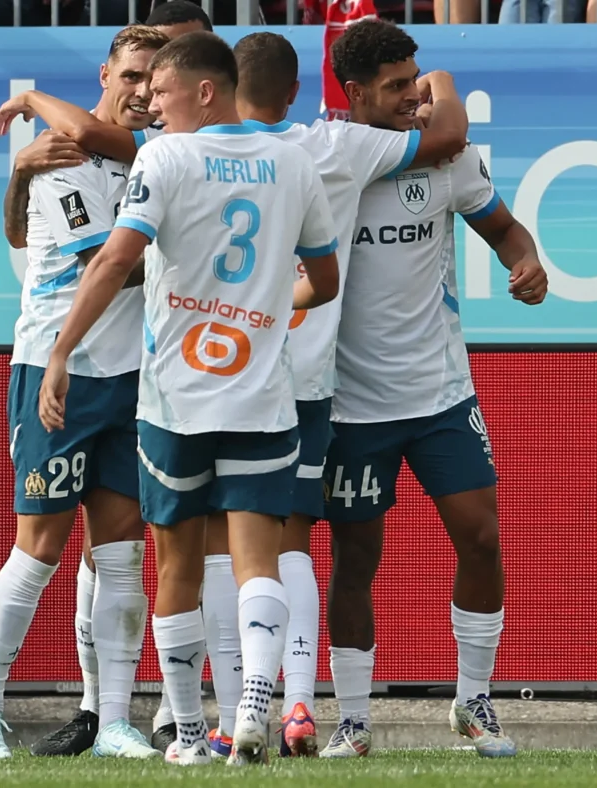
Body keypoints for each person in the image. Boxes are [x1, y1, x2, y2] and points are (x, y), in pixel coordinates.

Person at [39, 31, 340, 767]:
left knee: (173, 565)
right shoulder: (294, 163)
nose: (151, 107)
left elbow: (113, 259)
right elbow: (326, 283)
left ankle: (188, 734)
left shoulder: (165, 157)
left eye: (163, 94)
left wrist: (59, 350)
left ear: (206, 91)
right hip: (264, 399)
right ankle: (252, 713)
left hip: (175, 401)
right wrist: (272, 300)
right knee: (255, 562)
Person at [186, 32, 470, 760]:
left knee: (215, 546)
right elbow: (447, 134)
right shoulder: (334, 147)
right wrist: (438, 76)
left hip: (207, 375)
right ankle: (300, 709)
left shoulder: (183, 155)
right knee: (289, 545)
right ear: (296, 94)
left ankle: (219, 717)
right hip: (305, 385)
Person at [320, 18, 548, 760]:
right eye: (392, 89)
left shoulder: (448, 160)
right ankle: (353, 722)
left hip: (442, 395)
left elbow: (505, 229)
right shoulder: (327, 161)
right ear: (352, 93)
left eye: (415, 85)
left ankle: (474, 703)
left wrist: (529, 261)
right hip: (352, 405)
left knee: (482, 540)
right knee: (356, 563)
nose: (410, 100)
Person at [0, 24, 170, 763]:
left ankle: (113, 720)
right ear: (107, 70)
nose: (143, 91)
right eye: (132, 74)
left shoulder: (152, 158)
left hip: (130, 379)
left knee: (120, 556)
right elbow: (106, 264)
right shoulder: (66, 154)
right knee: (39, 549)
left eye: (154, 79)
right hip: (59, 371)